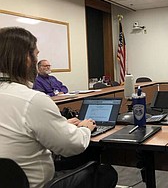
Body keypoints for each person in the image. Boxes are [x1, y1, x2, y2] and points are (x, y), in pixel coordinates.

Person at [0, 27, 96, 188]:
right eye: (36, 55)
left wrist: (61, 126)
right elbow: (71, 146)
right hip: (39, 184)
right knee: (103, 172)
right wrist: (85, 129)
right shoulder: (32, 100)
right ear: (26, 58)